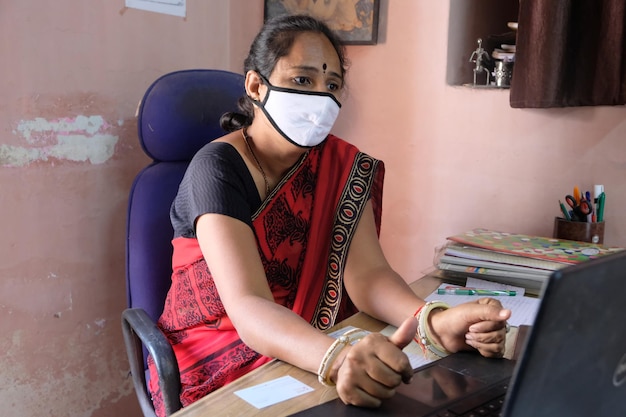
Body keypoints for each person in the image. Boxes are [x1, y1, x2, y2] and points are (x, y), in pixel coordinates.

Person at [147, 14, 511, 417]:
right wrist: (337, 359)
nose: (321, 98)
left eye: (332, 85)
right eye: (304, 80)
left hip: (305, 340)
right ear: (255, 85)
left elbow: (369, 276)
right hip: (218, 354)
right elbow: (248, 305)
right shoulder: (216, 169)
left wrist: (432, 320)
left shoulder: (339, 166)